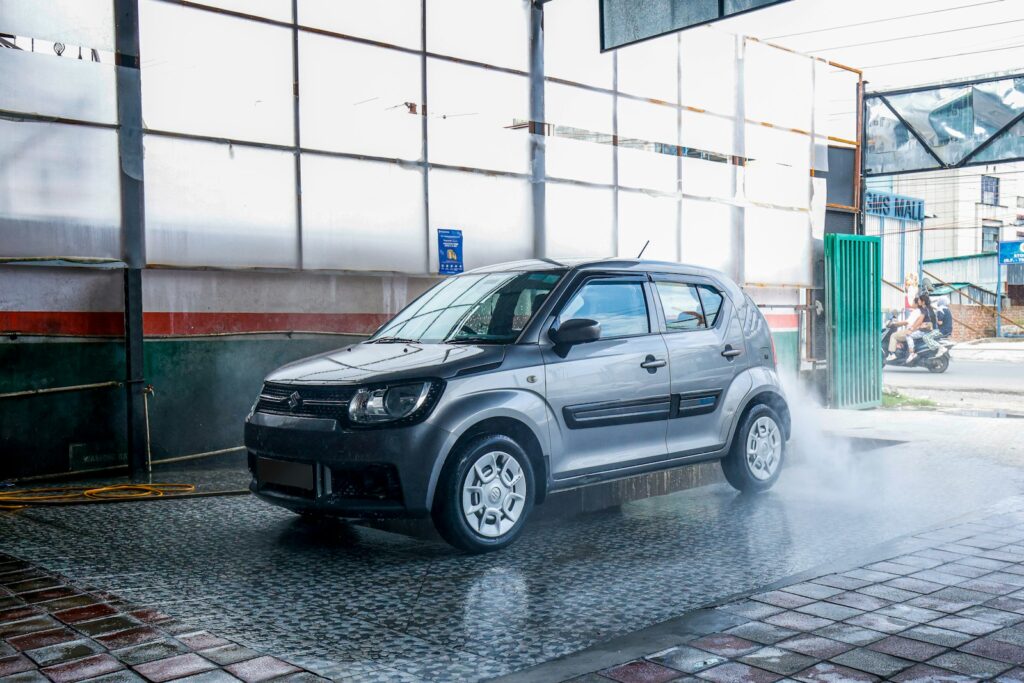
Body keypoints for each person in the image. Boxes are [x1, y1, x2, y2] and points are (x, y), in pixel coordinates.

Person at [887, 295, 925, 361]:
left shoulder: (916, 311)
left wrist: (895, 324)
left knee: (893, 335)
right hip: (915, 330)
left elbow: (907, 322)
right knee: (899, 335)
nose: (911, 304)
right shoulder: (920, 311)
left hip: (911, 330)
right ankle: (900, 349)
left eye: (913, 302)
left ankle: (892, 354)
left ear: (916, 304)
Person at [905, 293, 939, 364]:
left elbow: (919, 321)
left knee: (908, 335)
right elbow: (919, 320)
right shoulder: (929, 308)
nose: (918, 301)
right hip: (931, 329)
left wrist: (911, 329)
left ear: (923, 302)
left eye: (919, 300)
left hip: (926, 330)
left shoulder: (924, 309)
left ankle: (912, 353)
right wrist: (913, 327)